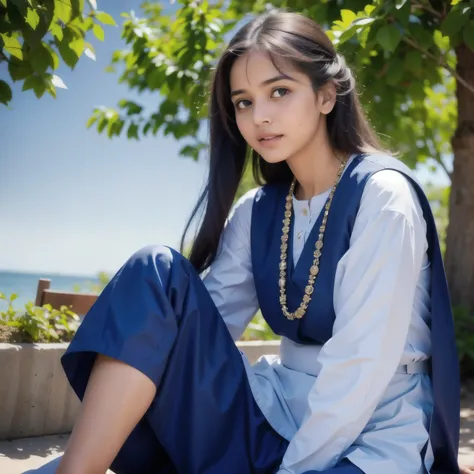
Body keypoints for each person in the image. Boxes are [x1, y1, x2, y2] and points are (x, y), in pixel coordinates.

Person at [29, 10, 461, 474]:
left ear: (326, 95)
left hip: (370, 435)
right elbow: (193, 332)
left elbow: (361, 369)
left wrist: (291, 470)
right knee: (155, 271)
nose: (260, 117)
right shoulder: (257, 210)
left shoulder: (383, 198)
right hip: (273, 418)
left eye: (279, 91)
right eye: (242, 102)